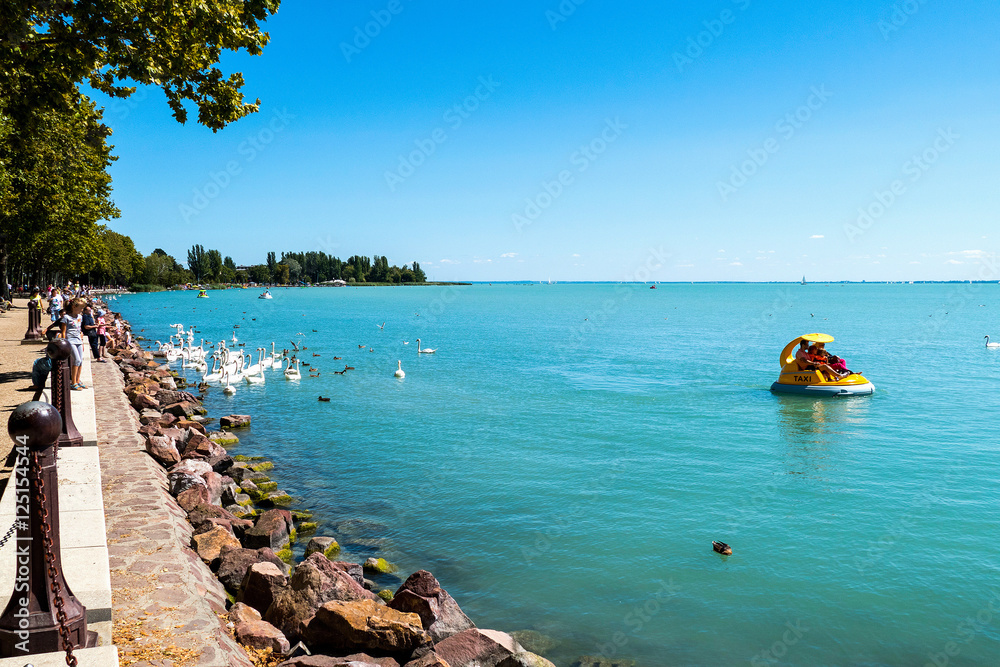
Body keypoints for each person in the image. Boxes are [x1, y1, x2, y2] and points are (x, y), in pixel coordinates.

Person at [59, 298, 87, 390]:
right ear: (74, 307)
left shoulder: (80, 317)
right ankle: (73, 382)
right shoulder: (66, 317)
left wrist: (82, 341)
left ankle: (78, 380)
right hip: (70, 340)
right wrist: (64, 342)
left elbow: (79, 330)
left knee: (81, 360)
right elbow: (63, 331)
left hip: (78, 340)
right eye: (81, 308)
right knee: (77, 360)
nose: (82, 310)